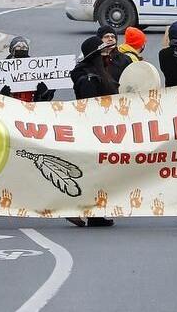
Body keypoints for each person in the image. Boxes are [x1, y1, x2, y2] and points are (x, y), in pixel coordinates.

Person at [68, 35, 119, 228]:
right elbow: (90, 107)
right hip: (93, 132)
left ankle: (95, 213)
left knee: (98, 174)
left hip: (100, 131)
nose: (106, 55)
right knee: (91, 173)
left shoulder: (96, 73)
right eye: (102, 52)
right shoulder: (89, 78)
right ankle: (78, 210)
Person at [0, 37, 55, 105]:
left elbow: (47, 98)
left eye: (24, 48)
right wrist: (1, 95)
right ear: (12, 50)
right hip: (9, 107)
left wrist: (45, 93)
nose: (21, 50)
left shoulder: (36, 68)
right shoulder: (1, 69)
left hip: (32, 108)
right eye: (18, 47)